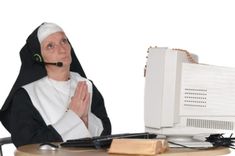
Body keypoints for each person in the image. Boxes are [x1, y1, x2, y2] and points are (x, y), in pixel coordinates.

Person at [0, 22, 111, 147]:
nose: (62, 49)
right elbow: (26, 144)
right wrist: (73, 117)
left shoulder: (86, 85)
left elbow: (106, 133)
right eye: (50, 46)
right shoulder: (26, 95)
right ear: (38, 57)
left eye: (64, 41)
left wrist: (86, 120)